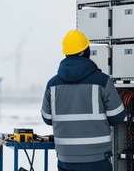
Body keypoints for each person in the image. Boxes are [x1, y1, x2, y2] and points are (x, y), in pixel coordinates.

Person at [41, 30, 126, 171]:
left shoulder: (52, 85)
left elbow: (47, 118)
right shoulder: (102, 81)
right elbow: (117, 117)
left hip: (66, 160)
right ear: (84, 52)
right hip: (97, 159)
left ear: (66, 53)